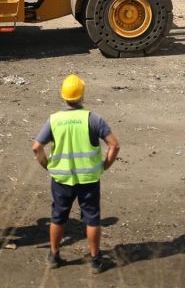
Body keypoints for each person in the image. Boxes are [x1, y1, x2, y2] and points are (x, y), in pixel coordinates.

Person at [32, 74, 120, 274]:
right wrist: (105, 165)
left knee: (58, 217)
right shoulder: (93, 119)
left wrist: (48, 166)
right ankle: (96, 259)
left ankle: (54, 255)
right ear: (82, 95)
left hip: (61, 179)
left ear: (63, 96)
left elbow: (36, 147)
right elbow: (114, 145)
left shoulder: (54, 120)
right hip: (89, 179)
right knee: (92, 218)